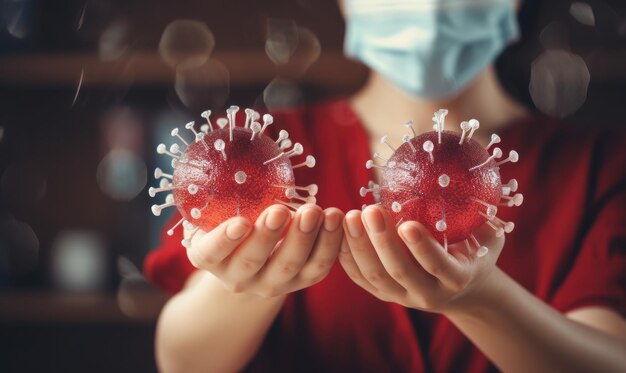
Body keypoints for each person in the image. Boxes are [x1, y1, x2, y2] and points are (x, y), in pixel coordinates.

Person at [146, 0, 626, 371]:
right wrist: (247, 286)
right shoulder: (254, 152)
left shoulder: (602, 167)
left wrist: (485, 301)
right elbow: (182, 361)